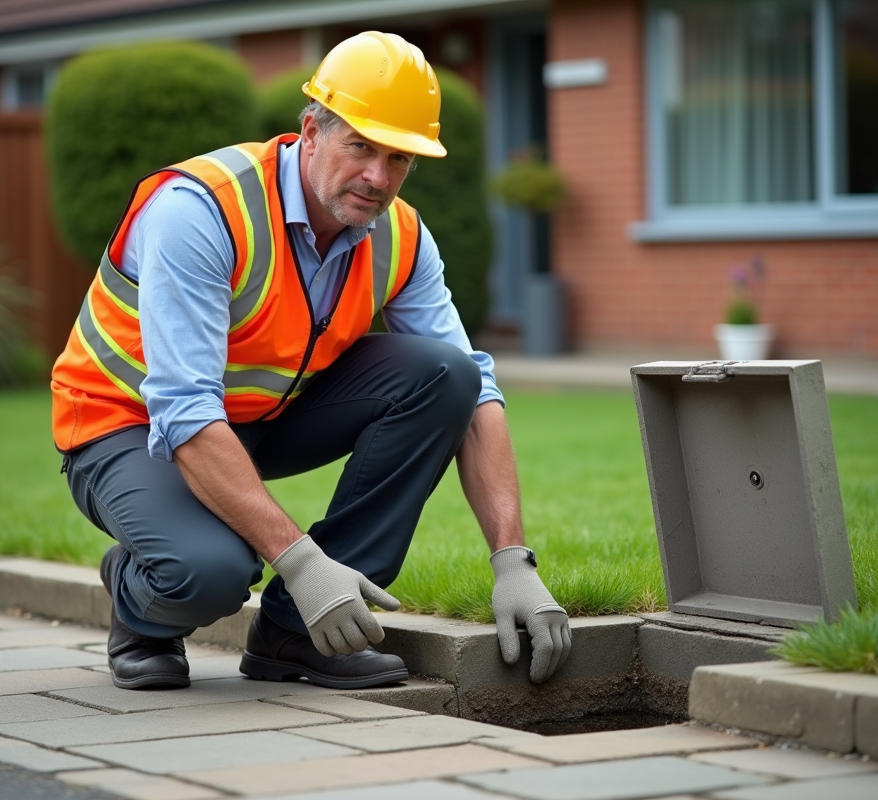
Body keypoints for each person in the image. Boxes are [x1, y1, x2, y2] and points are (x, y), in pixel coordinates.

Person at [50, 31, 571, 693]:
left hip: (262, 416)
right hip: (123, 426)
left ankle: (298, 633)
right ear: (311, 130)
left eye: (400, 157)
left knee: (448, 375)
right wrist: (300, 559)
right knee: (209, 571)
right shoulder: (203, 211)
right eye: (360, 146)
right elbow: (182, 412)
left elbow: (475, 392)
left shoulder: (402, 236)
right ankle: (141, 599)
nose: (378, 178)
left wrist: (513, 560)